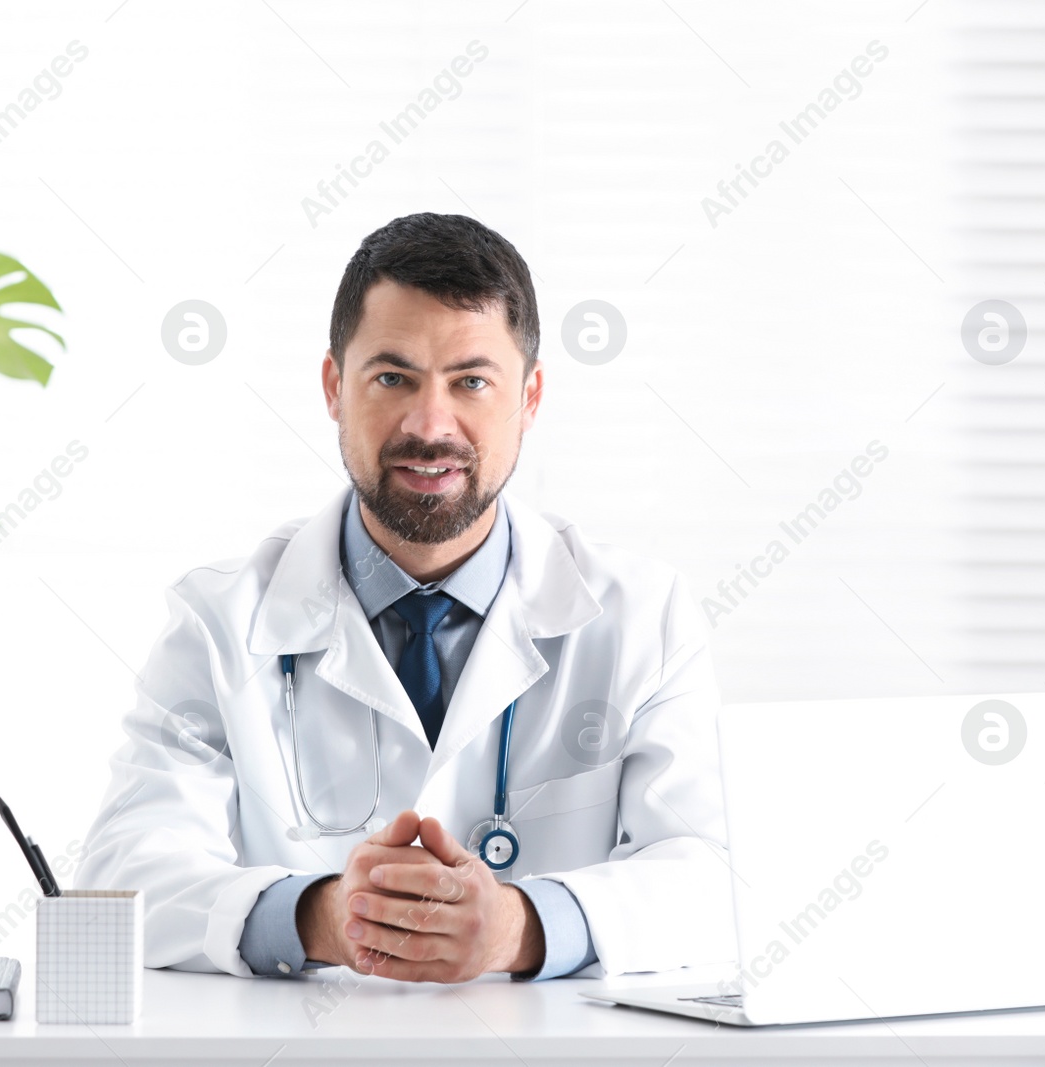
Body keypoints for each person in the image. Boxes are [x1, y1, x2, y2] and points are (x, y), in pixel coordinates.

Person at [77, 212, 734, 983]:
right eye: (393, 377)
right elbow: (122, 879)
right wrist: (320, 915)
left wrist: (521, 927)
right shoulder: (219, 620)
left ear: (529, 397)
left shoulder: (642, 616)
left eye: (472, 382)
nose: (430, 425)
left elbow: (716, 876)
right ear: (333, 387)